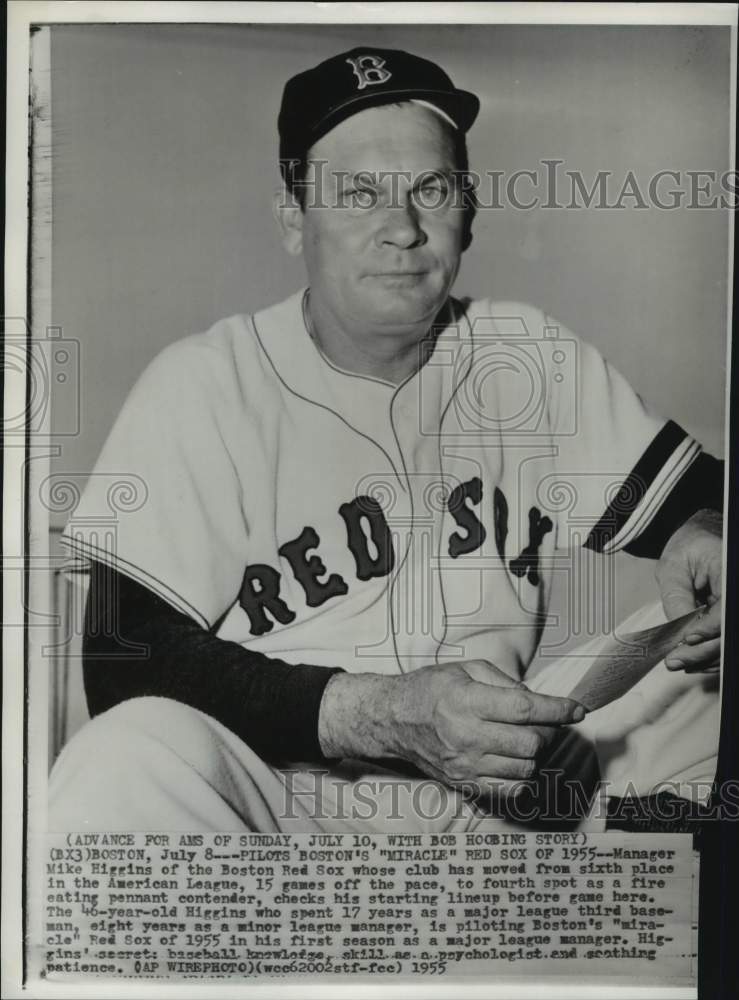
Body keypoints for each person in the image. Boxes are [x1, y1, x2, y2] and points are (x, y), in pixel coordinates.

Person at [50, 47, 724, 832]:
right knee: (124, 756)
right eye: (357, 193)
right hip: (289, 808)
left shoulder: (522, 354)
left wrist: (703, 525)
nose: (401, 229)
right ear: (293, 218)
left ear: (468, 212)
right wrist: (377, 713)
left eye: (429, 190)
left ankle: (643, 888)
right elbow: (120, 658)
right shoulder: (204, 383)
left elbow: (702, 503)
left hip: (507, 788)